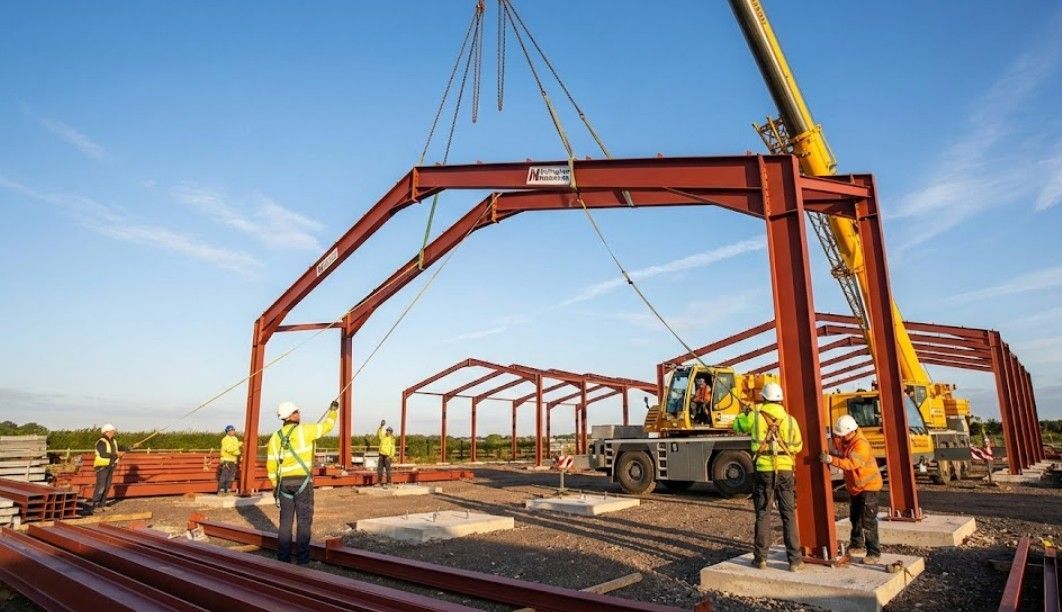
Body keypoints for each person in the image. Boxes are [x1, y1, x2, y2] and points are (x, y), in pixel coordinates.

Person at [267, 399, 338, 565]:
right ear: (292, 415)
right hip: (302, 483)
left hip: (283, 485)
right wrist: (333, 410)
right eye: (297, 411)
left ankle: (283, 559)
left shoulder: (275, 437)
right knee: (304, 522)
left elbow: (271, 463)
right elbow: (327, 426)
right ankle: (303, 560)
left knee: (285, 523)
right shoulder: (305, 431)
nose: (300, 414)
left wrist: (274, 484)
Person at [745, 382, 804, 571]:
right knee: (788, 515)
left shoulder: (755, 417)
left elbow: (737, 424)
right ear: (780, 399)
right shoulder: (790, 420)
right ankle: (795, 561)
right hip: (785, 471)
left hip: (764, 470)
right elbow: (798, 445)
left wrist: (746, 413)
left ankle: (760, 559)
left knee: (763, 514)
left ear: (763, 398)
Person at [820, 414, 883, 564]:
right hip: (857, 487)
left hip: (869, 487)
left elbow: (851, 463)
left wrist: (831, 460)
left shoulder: (861, 444)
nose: (840, 438)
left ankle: (874, 552)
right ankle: (857, 544)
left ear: (850, 432)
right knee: (855, 517)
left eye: (842, 435)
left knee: (868, 521)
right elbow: (841, 452)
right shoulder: (847, 441)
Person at [92, 424, 120, 511]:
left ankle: (102, 504)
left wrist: (129, 447)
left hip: (111, 466)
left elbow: (119, 449)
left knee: (107, 486)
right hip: (102, 467)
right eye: (112, 431)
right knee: (101, 486)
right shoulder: (101, 442)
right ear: (106, 432)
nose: (114, 432)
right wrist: (116, 455)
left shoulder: (113, 441)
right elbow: (103, 454)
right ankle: (95, 505)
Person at [217, 425, 242, 495]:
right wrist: (238, 452)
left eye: (233, 430)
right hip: (226, 461)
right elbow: (229, 449)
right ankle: (221, 490)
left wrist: (242, 443)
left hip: (233, 461)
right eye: (231, 430)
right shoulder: (225, 440)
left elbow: (236, 445)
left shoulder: (235, 439)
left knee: (231, 476)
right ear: (227, 432)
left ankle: (228, 490)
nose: (233, 431)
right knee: (224, 475)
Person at [376, 420, 396, 487]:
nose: (387, 431)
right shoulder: (383, 437)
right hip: (381, 455)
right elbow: (378, 434)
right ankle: (379, 482)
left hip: (387, 456)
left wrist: (391, 457)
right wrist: (381, 426)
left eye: (389, 430)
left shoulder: (392, 439)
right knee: (379, 469)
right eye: (387, 430)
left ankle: (389, 482)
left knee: (388, 470)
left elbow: (393, 448)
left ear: (391, 432)